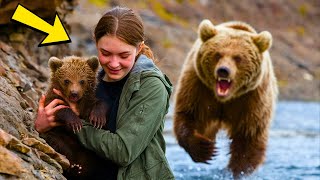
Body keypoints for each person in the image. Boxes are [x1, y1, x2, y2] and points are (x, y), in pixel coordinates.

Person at [35, 6, 175, 180]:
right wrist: (42, 126)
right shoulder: (94, 80)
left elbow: (123, 152)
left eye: (123, 55)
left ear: (139, 48)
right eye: (106, 53)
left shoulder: (152, 87)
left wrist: (77, 122)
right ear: (96, 44)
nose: (114, 64)